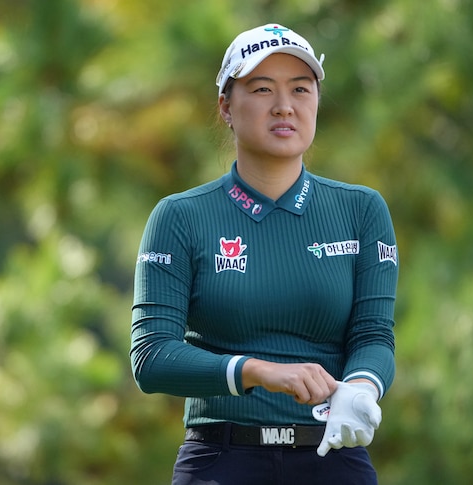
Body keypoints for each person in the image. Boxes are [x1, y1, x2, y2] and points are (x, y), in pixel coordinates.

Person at [130, 23, 399, 484]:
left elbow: (374, 335)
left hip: (330, 457)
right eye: (261, 88)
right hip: (221, 459)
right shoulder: (180, 216)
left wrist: (360, 387)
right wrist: (260, 372)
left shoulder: (362, 210)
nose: (285, 106)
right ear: (227, 107)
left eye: (300, 89)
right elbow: (152, 357)